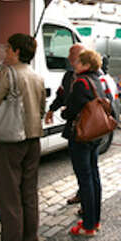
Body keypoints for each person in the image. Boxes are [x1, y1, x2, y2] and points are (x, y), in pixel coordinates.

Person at [0, 33, 46, 241]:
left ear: (17, 51)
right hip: (33, 139)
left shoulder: (7, 73)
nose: (5, 52)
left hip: (10, 141)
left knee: (9, 196)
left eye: (8, 48)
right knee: (29, 192)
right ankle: (30, 237)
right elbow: (42, 109)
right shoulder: (37, 76)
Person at [61, 50, 110, 236]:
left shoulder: (81, 82)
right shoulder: (98, 80)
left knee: (85, 180)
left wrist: (65, 112)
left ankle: (88, 225)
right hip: (95, 135)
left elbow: (71, 111)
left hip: (82, 136)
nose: (75, 64)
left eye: (79, 62)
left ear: (87, 65)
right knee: (94, 176)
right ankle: (95, 220)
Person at [45, 43, 86, 205]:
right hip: (74, 129)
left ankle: (88, 206)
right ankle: (82, 194)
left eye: (71, 55)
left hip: (86, 129)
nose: (68, 58)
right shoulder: (69, 76)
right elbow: (61, 95)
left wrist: (64, 112)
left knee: (87, 170)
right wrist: (51, 110)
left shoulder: (91, 77)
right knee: (81, 168)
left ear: (80, 58)